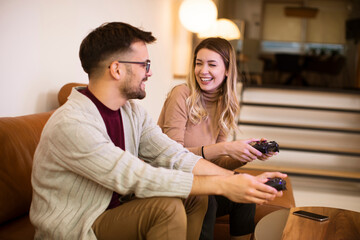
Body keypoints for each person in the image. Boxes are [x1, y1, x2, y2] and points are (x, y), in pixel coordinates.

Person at [30, 22, 286, 240]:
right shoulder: (73, 124)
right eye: (144, 64)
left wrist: (239, 181)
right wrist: (223, 184)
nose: (150, 72)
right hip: (81, 223)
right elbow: (135, 177)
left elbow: (174, 155)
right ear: (117, 69)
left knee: (197, 198)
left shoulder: (131, 111)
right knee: (167, 208)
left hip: (118, 207)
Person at [158, 37, 278, 240]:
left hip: (203, 180)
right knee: (207, 200)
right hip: (174, 181)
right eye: (199, 63)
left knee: (245, 194)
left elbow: (219, 163)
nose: (203, 71)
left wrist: (246, 153)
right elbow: (173, 157)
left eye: (212, 64)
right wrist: (226, 148)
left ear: (228, 70)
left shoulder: (224, 103)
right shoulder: (182, 95)